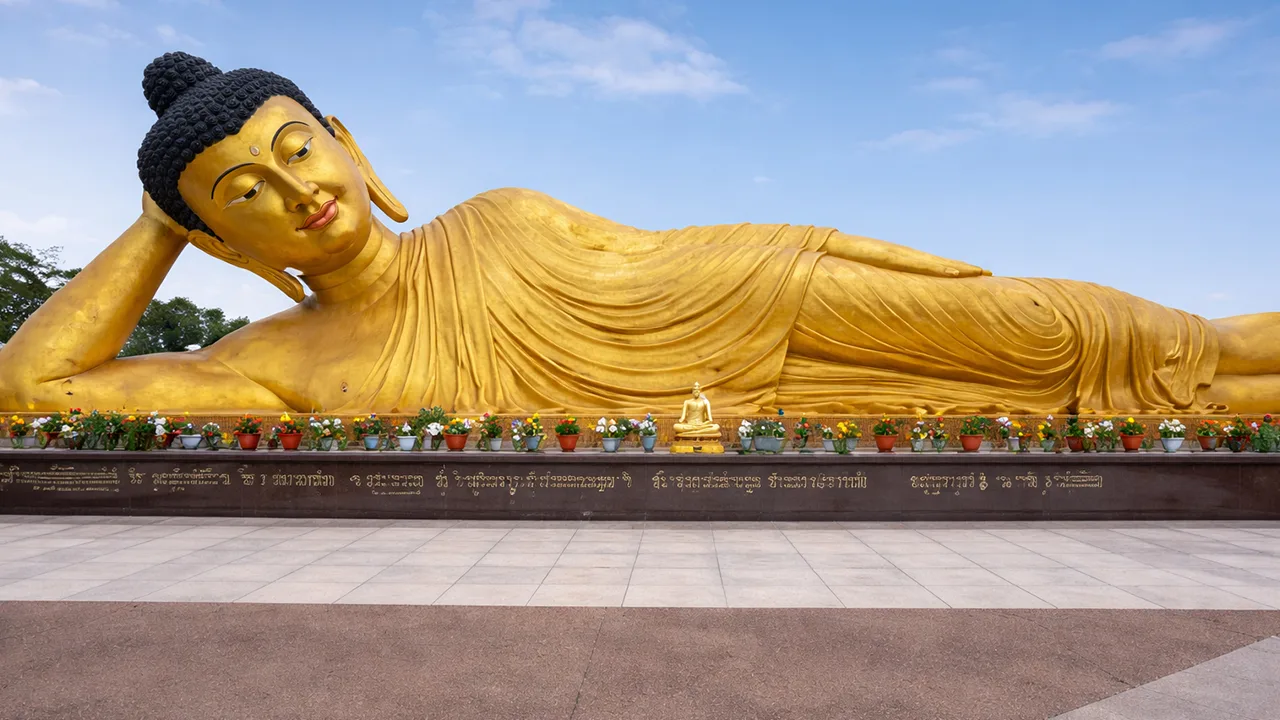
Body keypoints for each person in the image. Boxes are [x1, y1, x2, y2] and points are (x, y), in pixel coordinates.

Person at [1, 52, 1275, 415]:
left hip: (768, 302)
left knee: (1090, 330)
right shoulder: (272, 364)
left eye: (295, 151)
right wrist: (157, 221)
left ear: (350, 140)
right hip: (755, 407)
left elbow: (669, 252)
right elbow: (30, 389)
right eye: (242, 198)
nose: (295, 196)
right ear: (219, 243)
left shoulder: (495, 216)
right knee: (1193, 405)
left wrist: (855, 247)